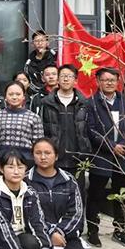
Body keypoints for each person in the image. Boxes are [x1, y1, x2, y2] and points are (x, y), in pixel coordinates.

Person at [26, 139, 99, 249]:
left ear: (56, 156)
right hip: (41, 239)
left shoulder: (68, 180)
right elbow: (29, 214)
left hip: (67, 237)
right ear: (33, 155)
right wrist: (51, 232)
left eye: (48, 153)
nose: (43, 157)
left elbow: (76, 212)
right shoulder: (26, 181)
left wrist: (59, 232)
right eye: (38, 153)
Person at [86, 67, 125, 248]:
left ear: (117, 82)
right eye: (105, 80)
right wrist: (111, 146)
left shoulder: (124, 101)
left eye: (112, 80)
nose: (109, 83)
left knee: (122, 195)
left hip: (123, 155)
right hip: (102, 155)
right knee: (95, 194)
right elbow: (91, 130)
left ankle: (120, 230)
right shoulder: (92, 103)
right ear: (98, 82)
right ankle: (92, 230)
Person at [0, 151, 54, 249]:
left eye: (20, 167)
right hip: (0, 242)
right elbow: (2, 230)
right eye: (10, 167)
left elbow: (38, 223)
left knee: (31, 243)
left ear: (26, 169)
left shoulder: (30, 192)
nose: (16, 171)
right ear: (1, 169)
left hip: (23, 238)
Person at [40, 64, 91, 205]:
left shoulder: (84, 104)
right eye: (62, 76)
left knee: (78, 196)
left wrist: (86, 152)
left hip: (77, 158)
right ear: (58, 79)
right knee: (54, 196)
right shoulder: (46, 103)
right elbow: (41, 129)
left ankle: (77, 220)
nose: (66, 79)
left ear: (75, 80)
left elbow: (88, 130)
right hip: (54, 158)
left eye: (69, 76)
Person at [0, 81, 44, 182]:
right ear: (5, 97)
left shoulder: (33, 117)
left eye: (18, 94)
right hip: (1, 160)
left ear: (24, 96)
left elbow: (38, 144)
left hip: (26, 161)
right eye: (11, 94)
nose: (14, 97)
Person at [24, 29, 57, 94]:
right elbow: (30, 82)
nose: (40, 43)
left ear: (47, 43)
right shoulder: (29, 64)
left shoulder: (56, 57)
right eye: (37, 41)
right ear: (32, 44)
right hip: (37, 94)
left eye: (42, 40)